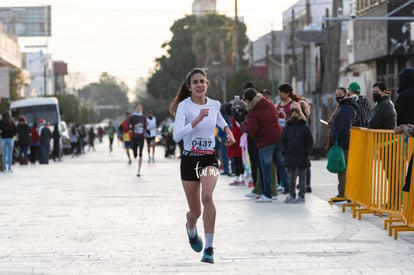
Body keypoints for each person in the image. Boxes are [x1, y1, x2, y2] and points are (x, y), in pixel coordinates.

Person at [170, 68, 235, 264]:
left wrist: (227, 130)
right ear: (189, 87)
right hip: (190, 160)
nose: (199, 85)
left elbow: (218, 118)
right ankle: (191, 228)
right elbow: (176, 136)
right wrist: (196, 121)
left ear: (207, 84)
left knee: (207, 196)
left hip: (208, 158)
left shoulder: (215, 104)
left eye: (202, 81)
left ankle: (208, 248)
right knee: (195, 212)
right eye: (195, 82)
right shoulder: (184, 106)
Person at [241, 87, 286, 202]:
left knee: (266, 168)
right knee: (281, 166)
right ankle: (290, 191)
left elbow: (252, 129)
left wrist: (243, 125)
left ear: (248, 100)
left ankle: (267, 194)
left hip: (265, 142)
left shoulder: (253, 111)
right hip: (277, 137)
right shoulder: (269, 103)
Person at [280, 108, 314, 203]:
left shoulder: (304, 127)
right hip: (290, 156)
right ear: (289, 116)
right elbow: (282, 141)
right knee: (291, 177)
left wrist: (307, 152)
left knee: (302, 177)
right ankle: (291, 194)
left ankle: (301, 196)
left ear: (300, 115)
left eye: (296, 113)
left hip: (302, 156)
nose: (294, 115)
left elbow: (310, 142)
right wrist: (284, 152)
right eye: (293, 113)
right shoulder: (287, 128)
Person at [329, 87, 356, 200]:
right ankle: (342, 192)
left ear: (346, 95)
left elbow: (345, 126)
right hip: (340, 141)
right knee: (341, 169)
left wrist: (336, 136)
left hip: (343, 142)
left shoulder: (347, 108)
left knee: (343, 169)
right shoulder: (341, 107)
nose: (338, 96)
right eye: (336, 94)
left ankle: (345, 193)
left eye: (340, 94)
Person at [128, 104, 147, 177]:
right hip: (134, 137)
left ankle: (139, 170)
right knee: (135, 152)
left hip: (141, 136)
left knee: (141, 153)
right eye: (137, 108)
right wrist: (129, 128)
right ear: (135, 109)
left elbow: (145, 126)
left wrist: (147, 131)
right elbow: (128, 125)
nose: (139, 109)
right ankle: (135, 153)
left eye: (140, 108)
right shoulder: (132, 117)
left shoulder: (143, 117)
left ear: (141, 109)